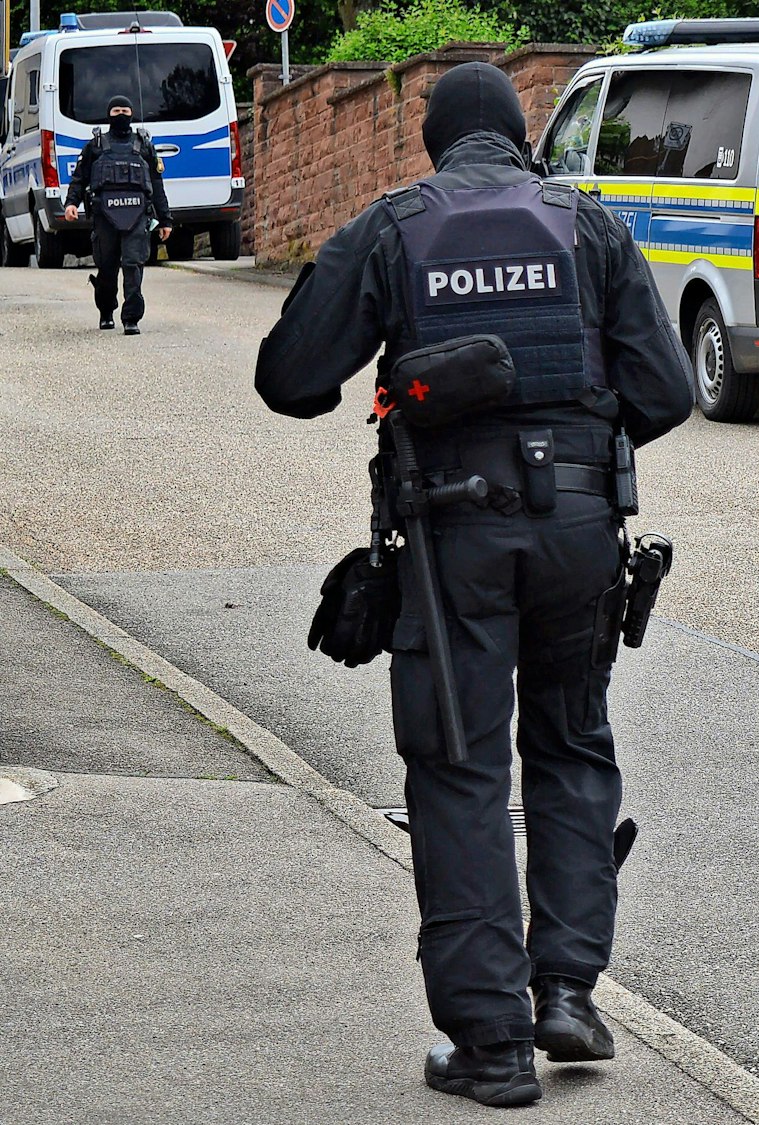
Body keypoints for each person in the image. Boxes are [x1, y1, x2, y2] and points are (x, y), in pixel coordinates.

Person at [253, 62, 693, 1107]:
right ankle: (568, 994)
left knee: (459, 771)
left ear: (435, 144)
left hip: (453, 529)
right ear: (522, 136)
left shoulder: (393, 227)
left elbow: (291, 380)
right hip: (582, 527)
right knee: (573, 741)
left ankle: (492, 1046)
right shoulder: (587, 226)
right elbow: (666, 392)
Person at [63, 95, 171, 334]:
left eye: (125, 110)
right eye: (116, 111)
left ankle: (131, 318)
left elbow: (156, 184)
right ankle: (106, 311)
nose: (121, 114)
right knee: (107, 267)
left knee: (133, 265)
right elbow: (79, 179)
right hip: (104, 216)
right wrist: (71, 204)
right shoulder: (96, 145)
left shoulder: (143, 144)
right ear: (108, 114)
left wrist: (165, 220)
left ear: (131, 114)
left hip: (138, 215)